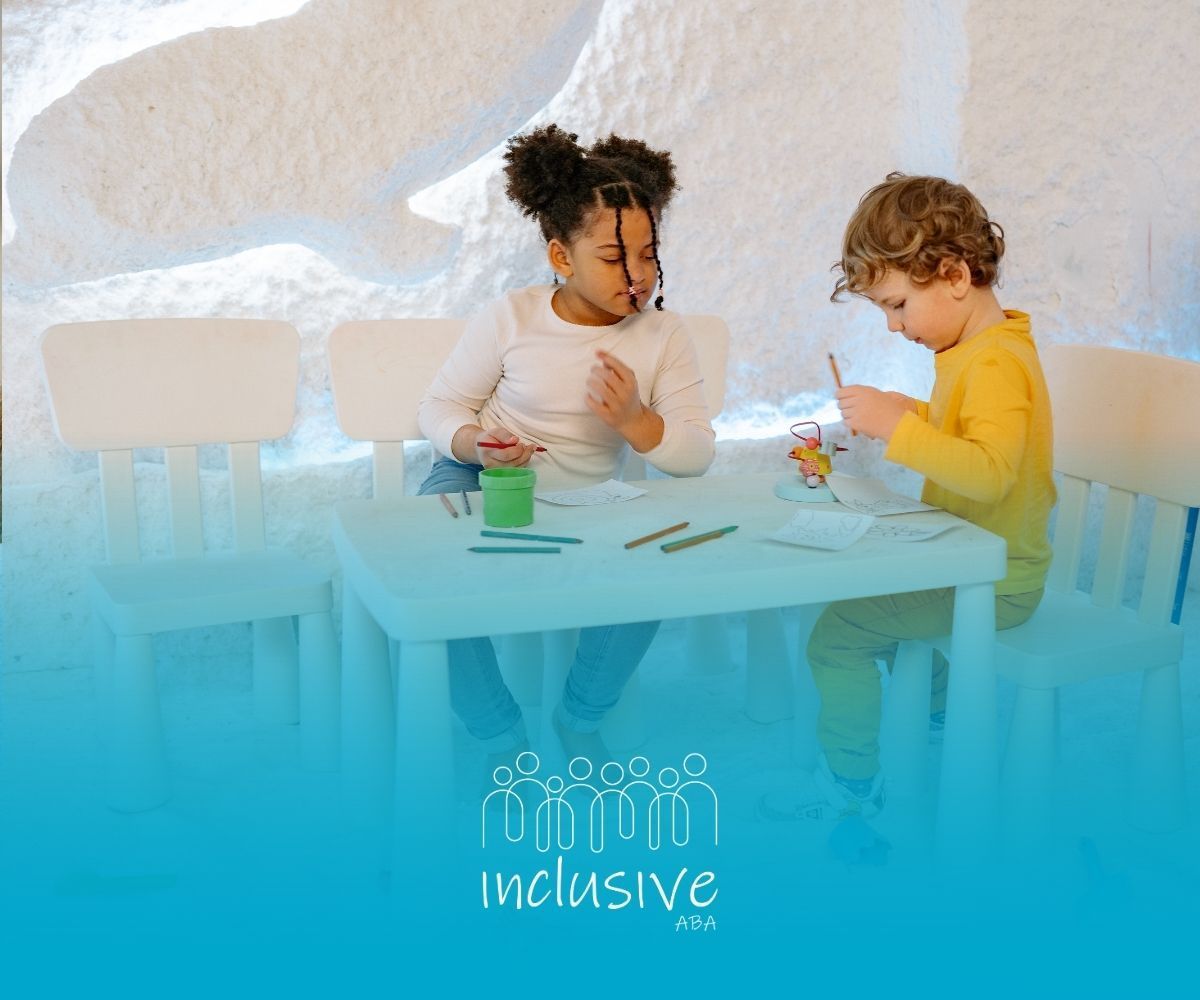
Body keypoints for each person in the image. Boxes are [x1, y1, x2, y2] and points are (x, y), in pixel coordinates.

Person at [416, 124, 715, 775]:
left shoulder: (663, 334)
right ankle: (497, 732)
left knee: (657, 560)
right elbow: (439, 409)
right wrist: (477, 443)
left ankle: (580, 716)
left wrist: (638, 421)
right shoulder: (512, 317)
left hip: (587, 501)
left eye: (648, 253)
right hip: (482, 475)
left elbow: (694, 454)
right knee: (425, 556)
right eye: (613, 258)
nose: (636, 275)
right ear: (561, 257)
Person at [800, 172, 1055, 819]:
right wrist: (903, 409)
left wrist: (898, 428)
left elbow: (990, 472)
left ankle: (850, 785)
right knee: (879, 597)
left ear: (954, 275)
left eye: (896, 305)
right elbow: (964, 435)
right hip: (970, 563)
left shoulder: (993, 363)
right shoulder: (978, 350)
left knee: (838, 634)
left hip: (994, 581)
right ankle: (941, 734)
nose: (891, 326)